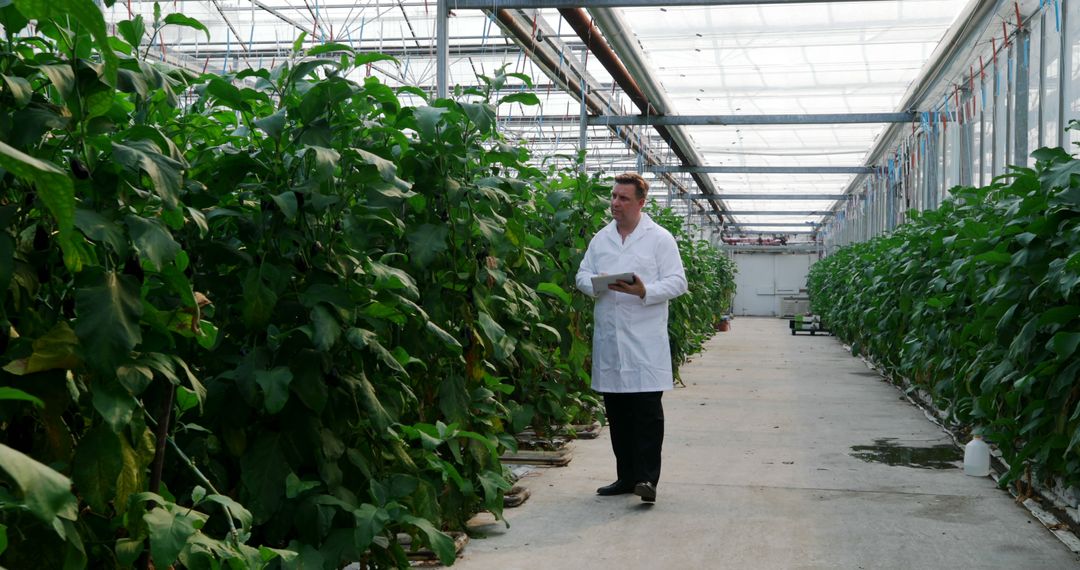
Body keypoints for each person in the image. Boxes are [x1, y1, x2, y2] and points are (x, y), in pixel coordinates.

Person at [575, 172, 688, 503]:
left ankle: (647, 480)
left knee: (647, 415)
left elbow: (677, 282)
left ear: (641, 202)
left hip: (644, 342)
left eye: (623, 198)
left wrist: (645, 290)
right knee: (619, 414)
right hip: (611, 340)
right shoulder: (601, 239)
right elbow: (582, 274)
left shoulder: (659, 238)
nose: (615, 203)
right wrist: (596, 283)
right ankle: (625, 477)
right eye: (613, 197)